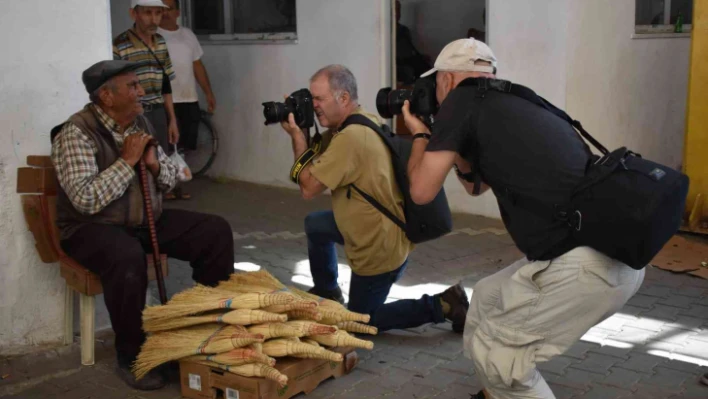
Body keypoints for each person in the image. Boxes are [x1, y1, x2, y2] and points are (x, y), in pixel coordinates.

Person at [403, 38, 645, 399]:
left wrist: (422, 132)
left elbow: (421, 192)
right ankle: (495, 393)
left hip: (586, 267)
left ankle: (502, 384)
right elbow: (474, 188)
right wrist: (454, 143)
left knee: (500, 355)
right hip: (611, 254)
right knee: (486, 298)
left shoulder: (459, 102)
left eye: (435, 83)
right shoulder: (515, 98)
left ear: (448, 81)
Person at [50, 60, 234, 390]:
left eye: (138, 85)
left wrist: (152, 166)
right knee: (126, 256)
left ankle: (205, 330)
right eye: (132, 86)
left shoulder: (139, 122)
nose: (141, 91)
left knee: (214, 231)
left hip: (140, 220)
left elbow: (171, 179)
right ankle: (132, 355)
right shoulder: (75, 133)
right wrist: (126, 162)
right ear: (106, 96)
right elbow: (85, 200)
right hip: (89, 228)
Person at [279, 64, 469, 334]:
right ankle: (328, 289)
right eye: (311, 99)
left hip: (377, 249)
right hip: (372, 228)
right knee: (316, 224)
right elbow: (313, 158)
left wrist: (297, 136)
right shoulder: (357, 120)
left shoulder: (351, 138)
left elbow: (308, 187)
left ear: (343, 98)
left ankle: (443, 305)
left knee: (359, 322)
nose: (314, 105)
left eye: (318, 99)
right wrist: (304, 125)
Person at [113, 0, 179, 180]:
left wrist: (171, 120)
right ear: (134, 14)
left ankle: (160, 207)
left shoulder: (161, 42)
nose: (154, 20)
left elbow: (166, 85)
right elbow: (117, 88)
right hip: (133, 116)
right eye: (147, 13)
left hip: (158, 113)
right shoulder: (120, 45)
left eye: (157, 13)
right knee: (138, 168)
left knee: (161, 166)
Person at [158, 0, 218, 199]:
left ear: (178, 12)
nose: (166, 13)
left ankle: (176, 186)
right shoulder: (154, 36)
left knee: (183, 145)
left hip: (188, 97)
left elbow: (197, 66)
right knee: (165, 145)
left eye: (170, 9)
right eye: (162, 9)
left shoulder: (188, 35)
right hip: (164, 100)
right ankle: (164, 188)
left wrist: (208, 92)